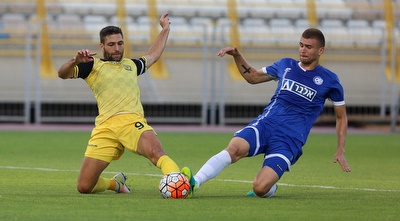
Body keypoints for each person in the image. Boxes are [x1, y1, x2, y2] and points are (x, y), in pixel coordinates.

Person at [182, 28, 351, 198]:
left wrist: (340, 149)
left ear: (320, 51)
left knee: (260, 188)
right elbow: (253, 77)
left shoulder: (330, 80)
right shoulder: (286, 65)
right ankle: (195, 182)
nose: (303, 50)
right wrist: (237, 55)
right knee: (233, 149)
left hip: (289, 139)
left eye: (308, 47)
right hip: (265, 125)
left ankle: (270, 187)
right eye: (301, 45)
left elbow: (341, 117)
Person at [58, 13, 181, 194]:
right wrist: (75, 61)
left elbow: (153, 55)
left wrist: (165, 29)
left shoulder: (131, 65)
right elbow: (62, 74)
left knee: (155, 152)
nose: (117, 48)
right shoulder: (92, 65)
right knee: (84, 187)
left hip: (132, 122)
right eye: (111, 44)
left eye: (120, 43)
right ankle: (115, 184)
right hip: (105, 127)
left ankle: (179, 182)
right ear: (102, 46)